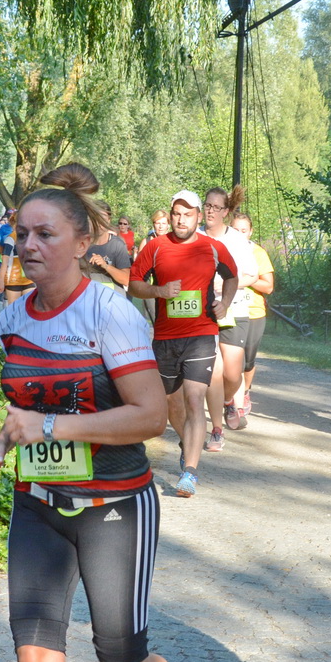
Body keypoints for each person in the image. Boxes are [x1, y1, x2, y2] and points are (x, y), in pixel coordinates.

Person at [0, 163, 211, 662]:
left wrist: (49, 421)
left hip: (114, 505)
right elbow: (29, 405)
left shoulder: (110, 312)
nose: (29, 245)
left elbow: (150, 416)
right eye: (21, 233)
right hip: (39, 505)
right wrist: (5, 440)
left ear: (82, 241)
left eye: (45, 233)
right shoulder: (12, 316)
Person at [128, 190, 239, 497]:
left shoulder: (212, 248)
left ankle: (189, 472)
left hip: (201, 334)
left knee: (194, 399)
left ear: (198, 217)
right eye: (176, 213)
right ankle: (185, 440)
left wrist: (225, 303)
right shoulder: (155, 247)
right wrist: (159, 292)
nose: (180, 220)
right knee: (170, 404)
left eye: (187, 214)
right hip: (165, 338)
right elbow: (134, 284)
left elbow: (232, 276)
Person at [204, 186, 258, 442]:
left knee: (232, 374)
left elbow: (252, 275)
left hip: (234, 309)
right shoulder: (195, 236)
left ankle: (228, 401)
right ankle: (216, 429)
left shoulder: (236, 240)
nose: (210, 211)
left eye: (216, 207)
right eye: (207, 205)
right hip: (203, 312)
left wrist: (226, 284)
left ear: (225, 212)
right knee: (213, 371)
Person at [229, 213, 272, 419]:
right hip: (229, 311)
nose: (239, 234)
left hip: (253, 312)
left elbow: (269, 286)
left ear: (250, 232)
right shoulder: (223, 249)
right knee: (230, 360)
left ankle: (245, 391)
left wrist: (247, 278)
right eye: (235, 230)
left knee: (247, 361)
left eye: (243, 231)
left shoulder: (258, 253)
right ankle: (231, 398)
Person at [83, 217, 132, 293]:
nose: (98, 223)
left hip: (112, 298)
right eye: (95, 217)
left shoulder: (117, 244)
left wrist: (105, 265)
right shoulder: (81, 242)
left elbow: (126, 280)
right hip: (87, 296)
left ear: (109, 220)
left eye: (102, 218)